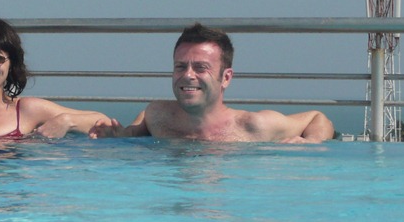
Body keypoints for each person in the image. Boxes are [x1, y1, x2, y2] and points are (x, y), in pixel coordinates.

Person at [92, 22, 334, 142]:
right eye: (180, 66)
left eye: (201, 68)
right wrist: (118, 135)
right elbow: (133, 133)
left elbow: (317, 118)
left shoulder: (253, 126)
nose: (188, 75)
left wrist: (312, 143)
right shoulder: (157, 115)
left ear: (225, 77)